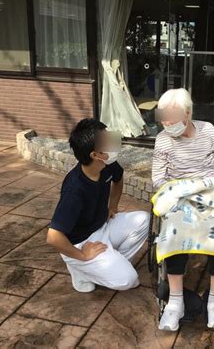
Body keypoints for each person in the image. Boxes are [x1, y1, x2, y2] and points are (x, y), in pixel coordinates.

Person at [152, 88, 214, 331]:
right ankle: (176, 302)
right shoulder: (162, 140)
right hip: (181, 196)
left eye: (173, 117)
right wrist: (183, 189)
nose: (167, 123)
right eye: (164, 117)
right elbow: (158, 179)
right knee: (174, 230)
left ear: (188, 113)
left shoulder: (208, 130)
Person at [47, 118, 149, 292]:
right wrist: (82, 255)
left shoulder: (107, 165)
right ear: (96, 155)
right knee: (129, 280)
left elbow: (118, 179)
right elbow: (53, 237)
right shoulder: (75, 190)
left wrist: (113, 206)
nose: (114, 140)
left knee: (144, 219)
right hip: (81, 242)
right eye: (108, 139)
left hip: (102, 225)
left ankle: (108, 265)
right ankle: (81, 269)